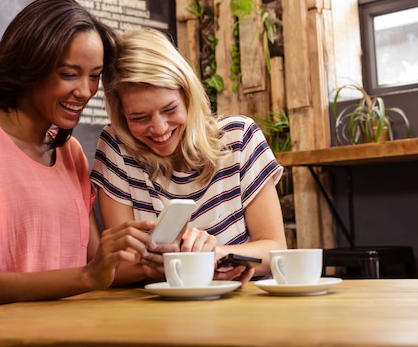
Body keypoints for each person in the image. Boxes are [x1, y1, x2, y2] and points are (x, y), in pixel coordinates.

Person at [0, 0, 155, 317]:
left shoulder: (70, 153)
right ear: (30, 67)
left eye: (94, 76)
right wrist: (89, 275)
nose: (86, 91)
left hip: (56, 332)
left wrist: (161, 258)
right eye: (69, 74)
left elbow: (96, 266)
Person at [90, 28, 288, 286]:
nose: (159, 129)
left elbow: (276, 249)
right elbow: (115, 268)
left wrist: (217, 255)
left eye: (169, 109)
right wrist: (173, 264)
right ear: (120, 115)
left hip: (238, 309)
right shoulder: (116, 147)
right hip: (150, 313)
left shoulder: (239, 137)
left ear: (187, 95)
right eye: (139, 117)